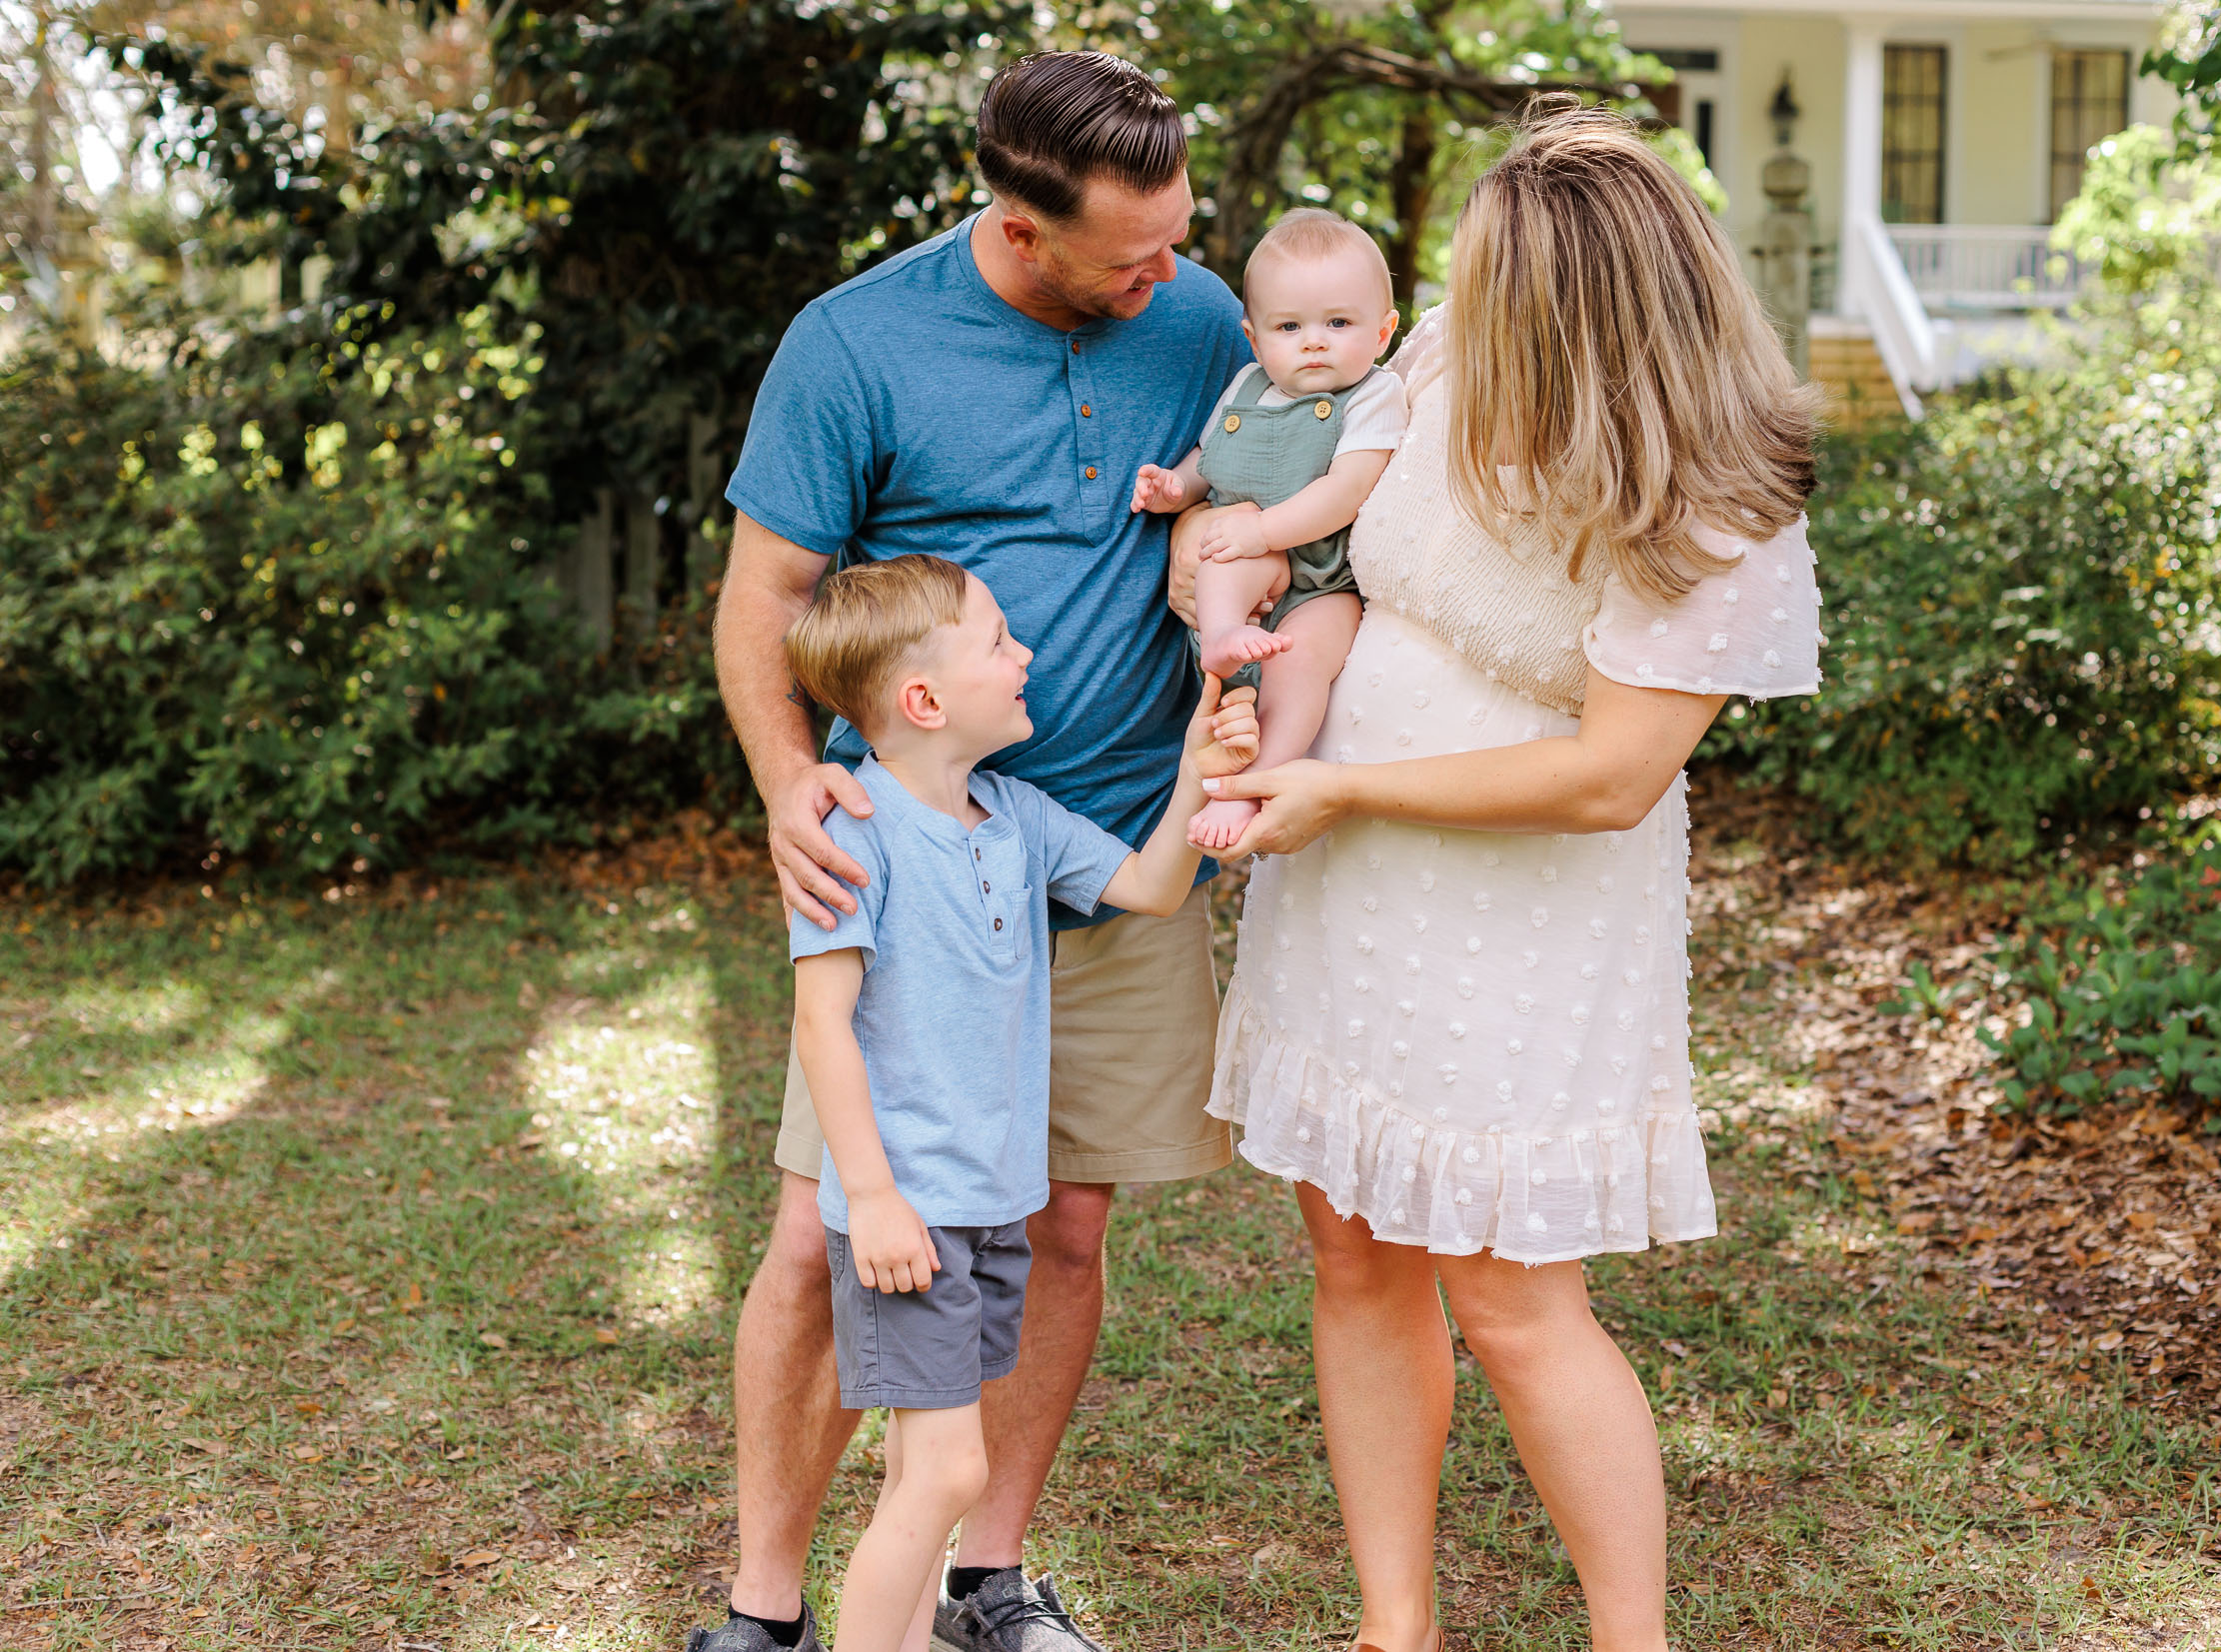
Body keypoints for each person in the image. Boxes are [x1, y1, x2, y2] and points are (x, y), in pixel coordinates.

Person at [1178, 102, 1826, 1652]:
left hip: (1523, 906)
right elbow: (1314, 535)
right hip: (1345, 872)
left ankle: (1632, 1640)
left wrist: (1339, 781)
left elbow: (1612, 778)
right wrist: (1257, 693)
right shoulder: (1452, 345)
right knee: (1353, 1242)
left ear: (1594, 316)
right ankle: (1393, 1626)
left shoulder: (1718, 496)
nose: (1461, 318)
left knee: (1515, 1297)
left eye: (1499, 294)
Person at [696, 49, 1258, 1652]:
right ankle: (764, 1600)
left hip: (1111, 855)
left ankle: (982, 1578)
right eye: (1132, 254)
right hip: (913, 865)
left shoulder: (1205, 322)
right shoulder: (855, 344)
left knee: (1062, 1221)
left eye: (1178, 236)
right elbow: (764, 602)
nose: (1169, 277)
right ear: (1020, 226)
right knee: (820, 1232)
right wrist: (791, 784)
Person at [776, 555, 1225, 1652]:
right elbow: (820, 1024)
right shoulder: (856, 835)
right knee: (949, 1470)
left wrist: (1197, 771)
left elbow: (1152, 888)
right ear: (924, 701)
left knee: (918, 1465)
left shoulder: (1018, 819)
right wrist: (873, 1198)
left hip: (988, 1207)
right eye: (997, 642)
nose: (1024, 656)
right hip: (909, 1217)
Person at [1129, 209, 1405, 850]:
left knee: (1301, 664)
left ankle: (1255, 784)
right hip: (1251, 561)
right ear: (1255, 341)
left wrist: (1263, 533)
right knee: (1221, 541)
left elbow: (1345, 491)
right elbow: (1211, 459)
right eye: (1289, 327)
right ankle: (1223, 633)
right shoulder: (1248, 384)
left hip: (1325, 577)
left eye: (1338, 323)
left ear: (1384, 331)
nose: (1313, 342)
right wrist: (1177, 488)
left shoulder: (1373, 395)